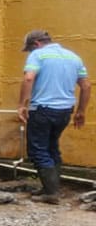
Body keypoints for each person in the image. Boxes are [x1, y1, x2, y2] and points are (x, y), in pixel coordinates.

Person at [17, 29, 90, 204]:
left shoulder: (39, 55)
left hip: (42, 110)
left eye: (30, 49)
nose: (30, 53)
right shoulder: (73, 57)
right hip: (65, 111)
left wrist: (21, 105)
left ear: (36, 44)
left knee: (38, 150)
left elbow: (28, 78)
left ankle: (51, 193)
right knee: (52, 147)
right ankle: (51, 188)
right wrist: (81, 111)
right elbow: (86, 86)